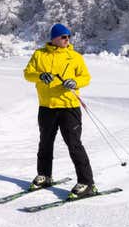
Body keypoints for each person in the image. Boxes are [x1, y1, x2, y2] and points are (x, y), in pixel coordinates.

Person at [23, 23, 96, 199]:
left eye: (68, 36)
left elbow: (86, 77)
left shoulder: (74, 57)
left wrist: (75, 82)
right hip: (47, 107)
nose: (67, 40)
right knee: (45, 143)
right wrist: (39, 76)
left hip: (68, 107)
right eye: (64, 37)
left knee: (74, 144)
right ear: (54, 38)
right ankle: (44, 175)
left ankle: (87, 183)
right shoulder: (40, 54)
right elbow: (27, 73)